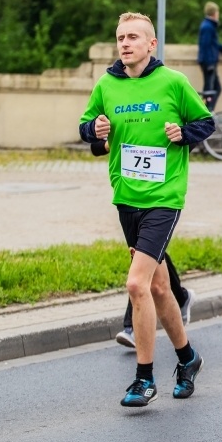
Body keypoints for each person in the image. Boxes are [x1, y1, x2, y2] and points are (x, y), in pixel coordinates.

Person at [79, 12, 214, 407]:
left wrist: (183, 134)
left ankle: (143, 378)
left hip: (164, 197)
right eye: (120, 37)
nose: (125, 43)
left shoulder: (173, 82)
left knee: (137, 284)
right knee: (158, 286)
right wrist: (96, 131)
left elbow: (206, 122)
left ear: (151, 45)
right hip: (126, 196)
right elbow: (87, 129)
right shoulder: (106, 84)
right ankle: (188, 358)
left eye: (133, 37)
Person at [89, 139, 196, 346]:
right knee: (149, 253)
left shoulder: (172, 107)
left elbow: (197, 131)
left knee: (141, 264)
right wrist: (112, 142)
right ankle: (182, 298)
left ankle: (131, 326)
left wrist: (164, 145)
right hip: (132, 196)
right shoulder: (119, 108)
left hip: (161, 195)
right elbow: (95, 146)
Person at [197, 2, 222, 111]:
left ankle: (208, 111)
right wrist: (210, 64)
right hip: (209, 62)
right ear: (214, 13)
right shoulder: (207, 27)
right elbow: (205, 45)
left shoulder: (208, 26)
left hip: (209, 61)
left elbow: (212, 44)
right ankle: (205, 112)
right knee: (210, 90)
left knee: (214, 88)